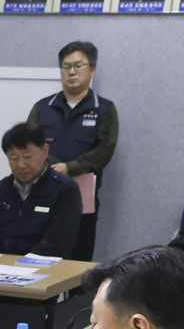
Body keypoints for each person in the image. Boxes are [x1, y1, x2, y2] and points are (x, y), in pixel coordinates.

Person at [27, 42, 117, 261]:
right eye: (66, 66)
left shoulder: (104, 109)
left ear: (92, 69)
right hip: (43, 193)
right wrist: (52, 168)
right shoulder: (43, 107)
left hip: (82, 198)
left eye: (78, 65)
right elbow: (30, 145)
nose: (72, 71)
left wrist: (70, 168)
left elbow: (104, 150)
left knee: (77, 264)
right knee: (40, 259)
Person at [0, 123, 81, 256]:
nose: (21, 165)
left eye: (27, 157)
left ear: (45, 151)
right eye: (14, 158)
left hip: (44, 269)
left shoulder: (65, 189)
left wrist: (20, 266)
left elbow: (57, 245)